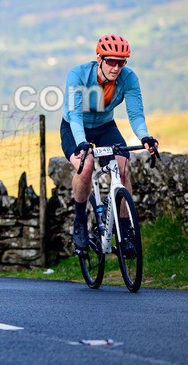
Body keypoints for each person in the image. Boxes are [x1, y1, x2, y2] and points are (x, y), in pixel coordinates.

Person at [61, 34, 158, 255]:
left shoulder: (129, 78)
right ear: (99, 59)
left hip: (105, 126)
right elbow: (75, 115)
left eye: (121, 62)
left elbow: (135, 114)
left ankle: (125, 231)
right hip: (74, 127)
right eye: (111, 61)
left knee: (123, 167)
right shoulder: (78, 75)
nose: (116, 68)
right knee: (85, 166)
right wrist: (82, 142)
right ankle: (79, 221)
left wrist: (145, 137)